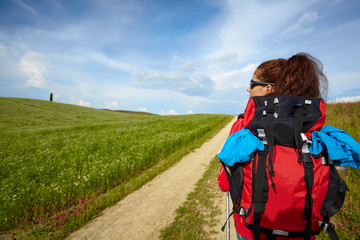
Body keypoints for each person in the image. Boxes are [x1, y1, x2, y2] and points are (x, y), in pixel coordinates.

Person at [217, 52, 329, 240]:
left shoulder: (244, 127)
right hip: (301, 232)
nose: (248, 89)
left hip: (252, 230)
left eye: (252, 84)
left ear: (268, 88)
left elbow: (225, 182)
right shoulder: (313, 130)